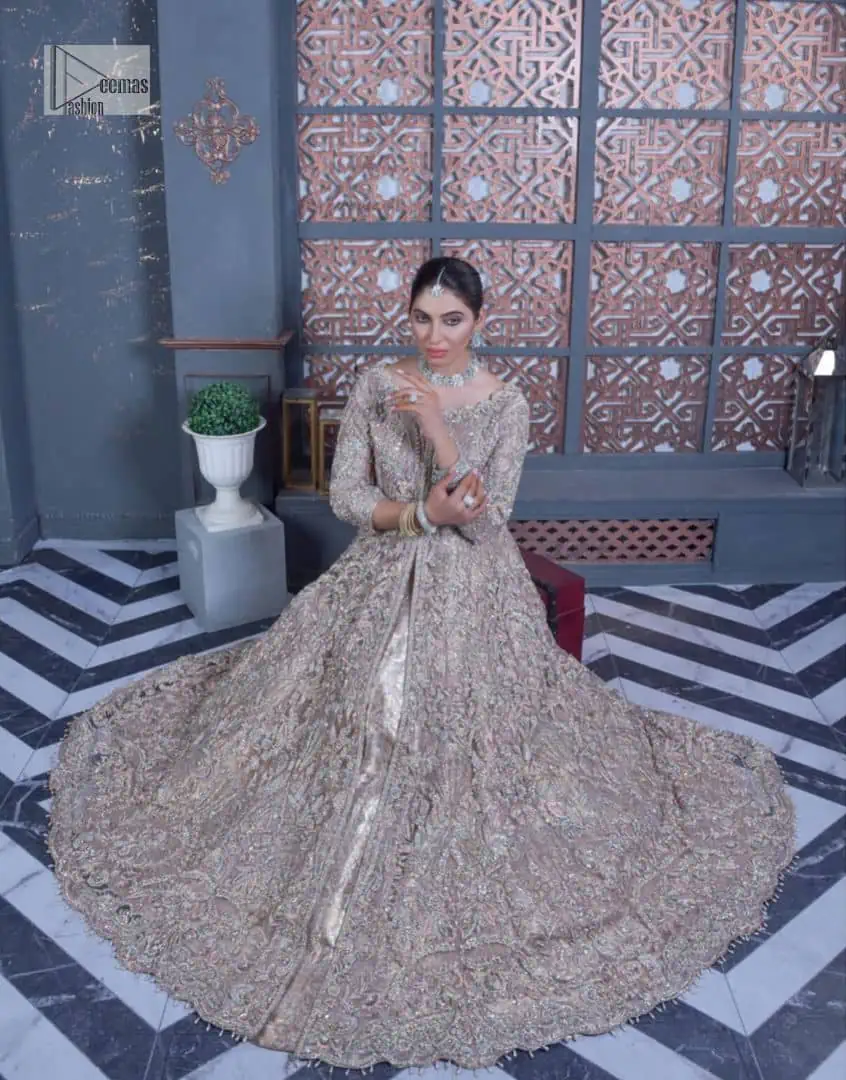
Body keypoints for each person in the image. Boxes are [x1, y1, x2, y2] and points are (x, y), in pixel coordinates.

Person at [48, 256, 796, 1072]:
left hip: (473, 590)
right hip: (380, 572)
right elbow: (345, 497)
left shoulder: (506, 404)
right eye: (421, 318)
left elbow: (489, 523)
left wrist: (440, 431)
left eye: (453, 320)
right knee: (308, 716)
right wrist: (417, 516)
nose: (434, 337)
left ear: (480, 321)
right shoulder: (376, 385)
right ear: (407, 316)